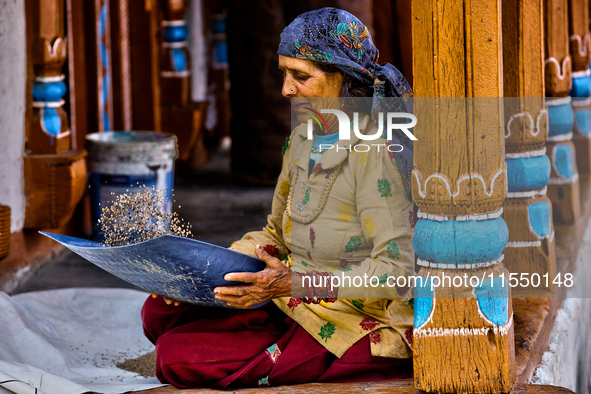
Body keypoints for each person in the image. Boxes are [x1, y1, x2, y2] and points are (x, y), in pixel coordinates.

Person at [141, 7, 416, 389]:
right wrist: (202, 272)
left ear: (343, 81)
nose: (286, 89)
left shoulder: (376, 154)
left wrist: (293, 284)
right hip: (288, 295)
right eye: (284, 74)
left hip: (350, 317)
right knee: (158, 310)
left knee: (176, 357)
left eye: (300, 77)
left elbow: (397, 272)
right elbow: (275, 233)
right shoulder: (303, 138)